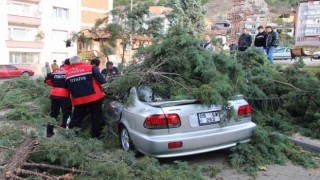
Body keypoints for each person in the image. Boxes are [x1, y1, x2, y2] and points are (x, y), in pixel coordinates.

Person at [66, 56, 107, 138]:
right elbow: (102, 81)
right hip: (94, 97)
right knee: (96, 116)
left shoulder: (68, 73)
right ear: (81, 61)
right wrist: (107, 91)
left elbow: (68, 87)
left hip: (78, 99)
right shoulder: (90, 68)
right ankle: (96, 136)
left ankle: (72, 135)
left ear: (71, 63)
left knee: (76, 118)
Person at [44, 59, 72, 137]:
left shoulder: (56, 70)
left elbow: (47, 80)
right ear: (71, 64)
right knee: (67, 114)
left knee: (53, 113)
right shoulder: (70, 71)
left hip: (53, 94)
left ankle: (49, 132)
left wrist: (55, 85)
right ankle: (64, 132)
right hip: (64, 95)